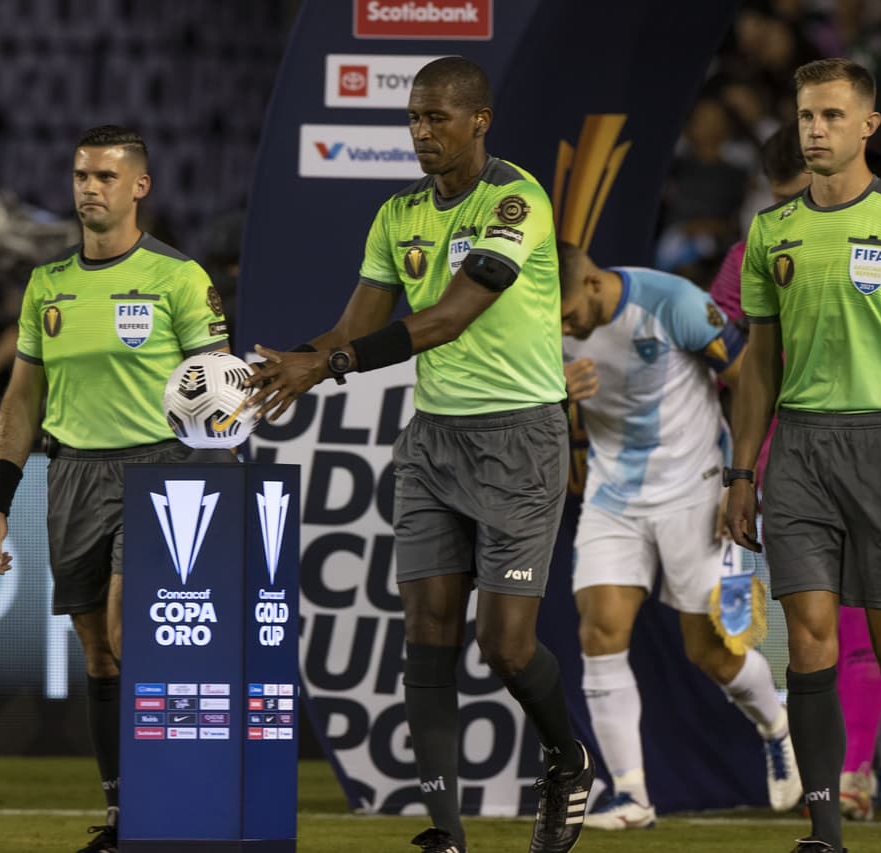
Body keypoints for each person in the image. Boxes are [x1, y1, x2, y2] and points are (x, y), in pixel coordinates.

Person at [249, 56, 593, 853]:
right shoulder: (396, 214)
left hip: (520, 438)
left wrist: (328, 368)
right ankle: (445, 829)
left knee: (504, 645)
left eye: (437, 118)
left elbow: (450, 316)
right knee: (427, 632)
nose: (421, 132)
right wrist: (287, 365)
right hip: (434, 442)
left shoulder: (516, 199)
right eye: (413, 118)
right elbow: (349, 330)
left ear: (480, 120)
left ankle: (567, 758)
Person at [0, 125, 230, 853]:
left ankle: (173, 804)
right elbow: (22, 400)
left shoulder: (179, 278)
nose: (90, 187)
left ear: (139, 186)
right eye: (81, 175)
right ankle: (124, 817)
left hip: (159, 470)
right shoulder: (46, 285)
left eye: (106, 177)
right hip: (73, 472)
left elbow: (219, 394)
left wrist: (216, 481)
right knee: (97, 651)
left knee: (127, 629)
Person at [726, 58, 881, 853]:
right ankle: (824, 833)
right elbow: (759, 365)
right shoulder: (771, 231)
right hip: (801, 452)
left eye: (830, 117)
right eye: (806, 117)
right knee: (809, 638)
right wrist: (743, 469)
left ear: (867, 126)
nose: (815, 130)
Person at [558, 244, 802, 830]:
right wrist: (555, 394)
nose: (563, 328)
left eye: (568, 315)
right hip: (612, 495)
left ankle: (775, 725)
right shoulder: (542, 326)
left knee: (710, 652)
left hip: (695, 487)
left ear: (593, 282)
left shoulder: (673, 302)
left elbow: (750, 383)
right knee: (599, 630)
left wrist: (740, 480)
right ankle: (632, 796)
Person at [712, 125, 881, 822]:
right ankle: (820, 774)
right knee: (795, 634)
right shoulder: (755, 249)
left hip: (876, 455)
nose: (801, 209)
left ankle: (854, 775)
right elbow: (721, 349)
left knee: (874, 637)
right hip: (779, 464)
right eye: (788, 197)